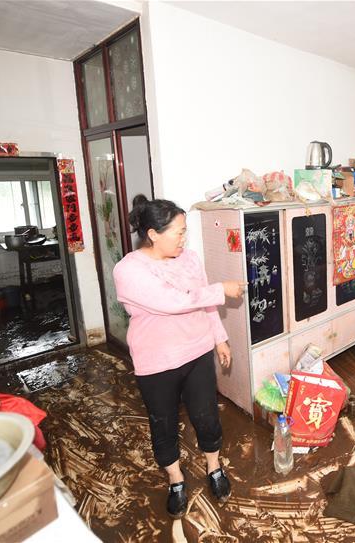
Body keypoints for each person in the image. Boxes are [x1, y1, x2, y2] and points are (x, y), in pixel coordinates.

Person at [113, 195, 247, 519]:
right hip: (157, 362)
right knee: (164, 424)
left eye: (185, 231)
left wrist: (220, 339)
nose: (184, 239)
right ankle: (175, 479)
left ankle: (213, 467)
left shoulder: (189, 258)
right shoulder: (128, 270)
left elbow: (202, 304)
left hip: (198, 351)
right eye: (178, 232)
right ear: (153, 233)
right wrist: (221, 288)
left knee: (206, 416)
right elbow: (172, 300)